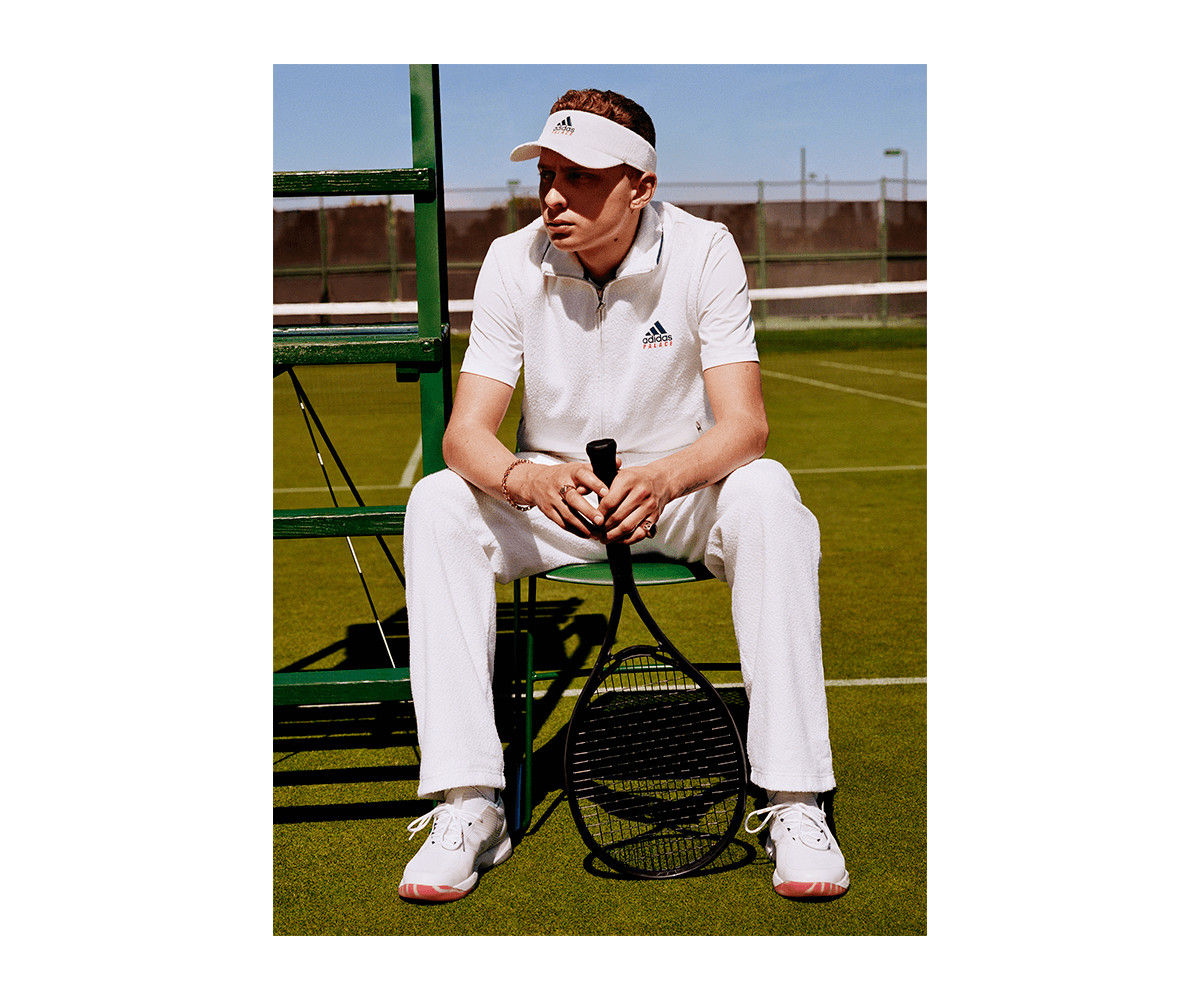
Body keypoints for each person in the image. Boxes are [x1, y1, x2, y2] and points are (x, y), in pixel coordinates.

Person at [397, 89, 849, 902]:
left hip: (678, 496)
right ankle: (469, 803)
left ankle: (794, 799)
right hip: (555, 503)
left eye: (580, 176)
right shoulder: (510, 259)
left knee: (768, 493)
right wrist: (528, 478)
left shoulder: (706, 250)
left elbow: (745, 425)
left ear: (640, 186)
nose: (553, 195)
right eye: (547, 173)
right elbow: (466, 435)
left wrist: (668, 476)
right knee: (437, 502)